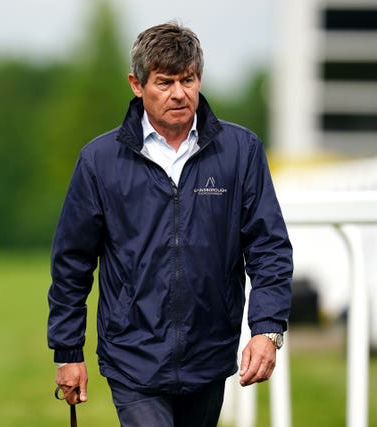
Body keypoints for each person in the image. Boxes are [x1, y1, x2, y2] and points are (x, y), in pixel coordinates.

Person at [47, 22, 292, 426]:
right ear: (136, 84)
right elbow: (71, 264)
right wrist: (68, 351)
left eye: (188, 79)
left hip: (209, 352)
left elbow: (269, 247)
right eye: (165, 82)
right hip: (131, 356)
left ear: (199, 79)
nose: (179, 93)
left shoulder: (241, 151)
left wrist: (266, 329)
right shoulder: (99, 161)